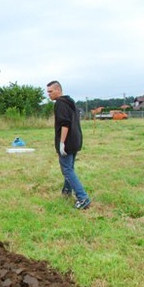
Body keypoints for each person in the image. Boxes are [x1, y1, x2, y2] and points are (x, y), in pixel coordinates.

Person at [46, 80, 91, 210]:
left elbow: (65, 124)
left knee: (67, 169)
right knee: (69, 167)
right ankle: (66, 191)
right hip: (75, 140)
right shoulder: (70, 102)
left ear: (58, 90)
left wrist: (61, 143)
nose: (49, 94)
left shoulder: (60, 104)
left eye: (51, 91)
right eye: (47, 92)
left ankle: (83, 198)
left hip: (67, 142)